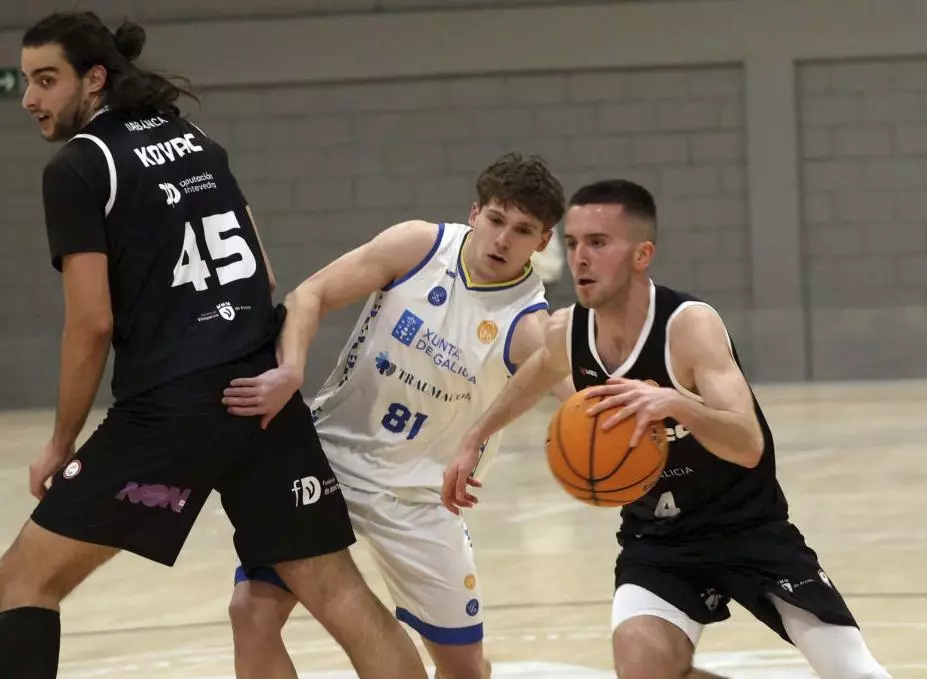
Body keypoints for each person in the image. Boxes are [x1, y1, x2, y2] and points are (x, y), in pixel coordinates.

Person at [0, 12, 426, 679]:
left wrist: (60, 440)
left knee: (21, 582)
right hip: (262, 394)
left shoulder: (79, 166)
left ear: (94, 78)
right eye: (26, 81)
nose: (29, 97)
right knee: (338, 591)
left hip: (172, 410)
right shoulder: (192, 137)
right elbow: (266, 274)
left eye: (46, 80)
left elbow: (91, 324)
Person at [441, 179, 892, 679]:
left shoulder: (688, 326)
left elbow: (748, 445)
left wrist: (676, 403)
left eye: (598, 242)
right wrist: (475, 437)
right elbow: (537, 373)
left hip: (750, 529)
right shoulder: (567, 330)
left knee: (856, 673)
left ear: (642, 254)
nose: (580, 257)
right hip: (658, 541)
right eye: (572, 243)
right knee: (642, 667)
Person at [222, 152, 566, 679]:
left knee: (465, 671)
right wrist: (291, 369)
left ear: (542, 243)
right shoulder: (418, 246)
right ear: (475, 213)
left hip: (420, 497)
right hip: (328, 461)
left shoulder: (529, 324)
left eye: (522, 231)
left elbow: (579, 392)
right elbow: (310, 294)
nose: (502, 240)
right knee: (250, 612)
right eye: (496, 220)